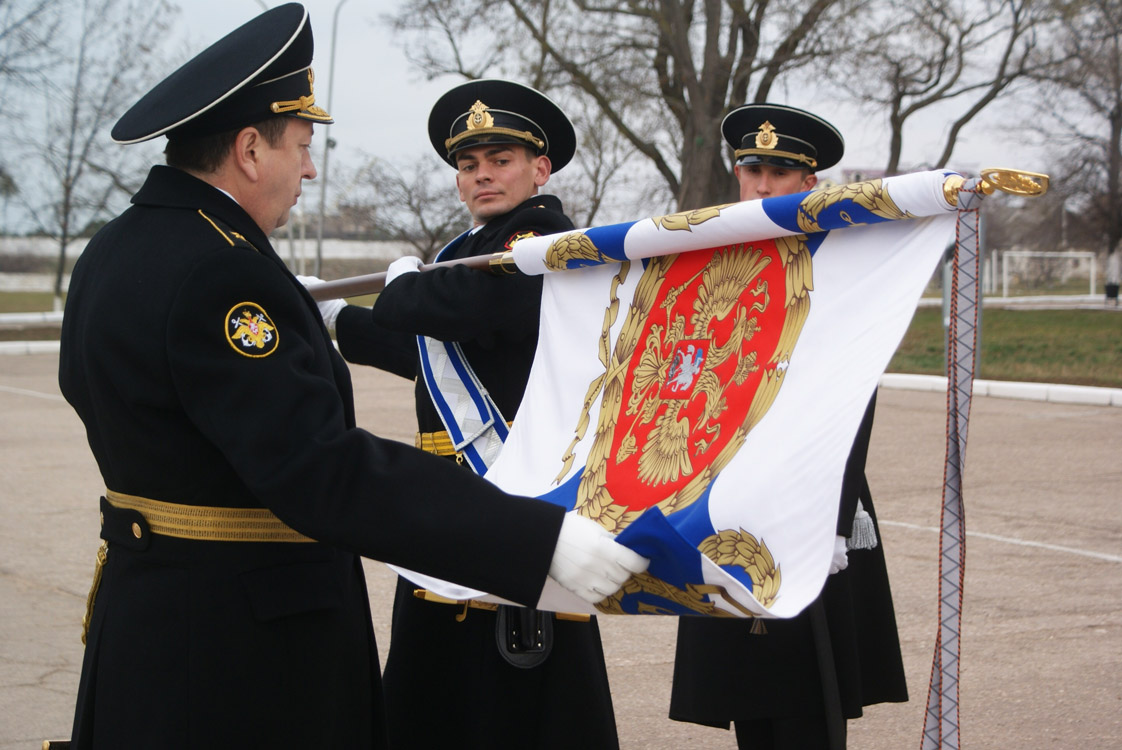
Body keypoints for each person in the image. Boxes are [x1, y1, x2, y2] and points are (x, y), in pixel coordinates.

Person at [55, 7, 646, 749]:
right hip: (238, 653)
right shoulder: (222, 271)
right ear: (248, 149)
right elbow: (321, 465)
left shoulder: (115, 248)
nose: (307, 168)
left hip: (152, 620)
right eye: (301, 147)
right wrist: (535, 541)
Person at [305, 79, 622, 749]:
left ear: (540, 169)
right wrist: (334, 319)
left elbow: (469, 307)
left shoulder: (544, 238)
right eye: (468, 164)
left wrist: (403, 290)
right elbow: (423, 348)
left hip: (514, 494)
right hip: (453, 504)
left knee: (517, 706)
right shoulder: (463, 252)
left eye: (500, 160)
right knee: (436, 694)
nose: (481, 175)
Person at [668, 103, 908, 749]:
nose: (763, 184)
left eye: (780, 170)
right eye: (752, 168)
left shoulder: (836, 267)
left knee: (811, 696)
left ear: (809, 184)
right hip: (728, 502)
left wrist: (832, 523)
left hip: (809, 499)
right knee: (747, 687)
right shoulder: (711, 263)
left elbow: (854, 401)